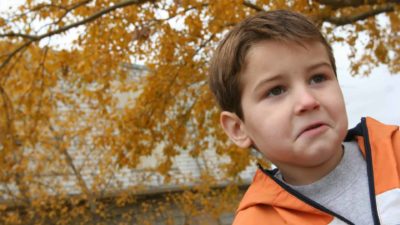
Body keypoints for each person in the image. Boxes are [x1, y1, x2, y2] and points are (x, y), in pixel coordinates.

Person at [208, 10, 400, 225]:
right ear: (238, 129)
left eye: (318, 78)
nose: (307, 101)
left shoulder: (394, 151)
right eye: (276, 91)